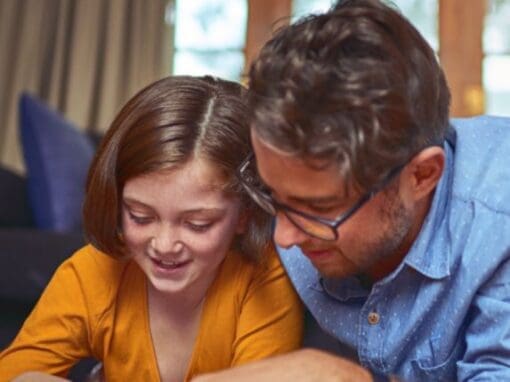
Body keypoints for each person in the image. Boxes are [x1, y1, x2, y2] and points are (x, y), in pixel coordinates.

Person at [193, 1, 510, 381]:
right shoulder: (275, 176)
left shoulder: (497, 222)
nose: (283, 237)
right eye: (273, 195)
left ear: (422, 176)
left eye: (319, 207)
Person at [0, 76, 303, 381]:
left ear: (245, 215)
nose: (165, 244)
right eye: (140, 216)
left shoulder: (264, 277)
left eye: (198, 224)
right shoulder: (92, 272)